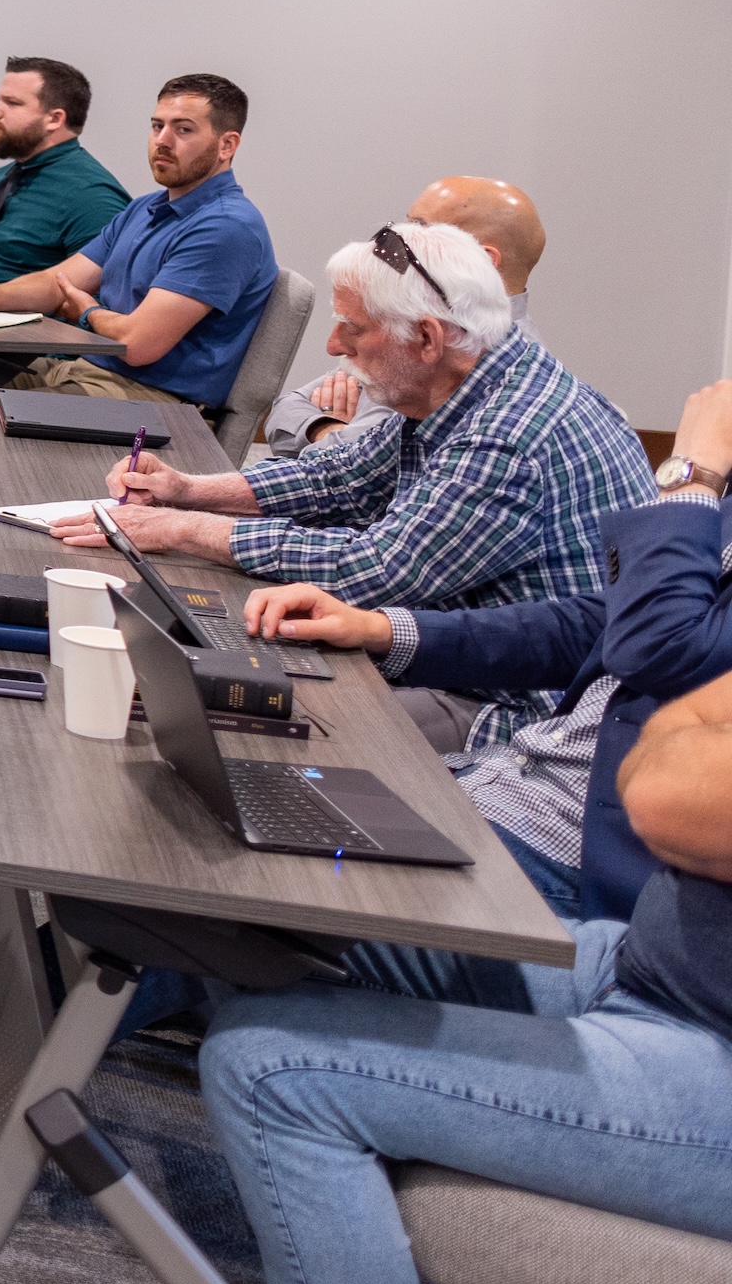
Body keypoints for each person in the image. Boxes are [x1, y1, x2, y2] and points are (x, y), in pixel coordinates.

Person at [135, 655, 732, 1284]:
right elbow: (648, 743)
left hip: (710, 1070)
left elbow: (662, 795)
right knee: (276, 927)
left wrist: (685, 756)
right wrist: (682, 758)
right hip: (636, 967)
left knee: (271, 1071)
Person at [227, 379, 732, 922]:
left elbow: (661, 649)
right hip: (510, 774)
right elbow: (600, 624)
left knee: (247, 894)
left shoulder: (529, 421)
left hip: (578, 848)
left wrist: (692, 475)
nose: (335, 343)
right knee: (237, 811)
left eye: (353, 328)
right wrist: (380, 630)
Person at [50, 221, 645, 630]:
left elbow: (377, 570)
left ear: (428, 338)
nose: (334, 344)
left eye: (353, 329)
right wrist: (187, 491)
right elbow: (338, 479)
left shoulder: (510, 434)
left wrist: (180, 530)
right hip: (440, 642)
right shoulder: (470, 383)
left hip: (506, 703)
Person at [0, 73, 278, 415]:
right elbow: (58, 282)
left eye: (183, 129)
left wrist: (88, 312)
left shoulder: (225, 227)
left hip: (155, 399)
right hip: (90, 371)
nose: (162, 141)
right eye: (157, 126)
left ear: (227, 145)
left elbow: (136, 345)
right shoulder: (145, 208)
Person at [256, 176, 544, 459]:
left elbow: (362, 468)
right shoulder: (408, 320)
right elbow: (285, 411)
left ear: (483, 260)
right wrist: (326, 428)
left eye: (420, 230)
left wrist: (339, 441)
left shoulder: (478, 353)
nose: (395, 244)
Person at [0, 55, 130, 286]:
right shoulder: (2, 178)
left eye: (12, 103)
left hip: (25, 318)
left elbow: (102, 295)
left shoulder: (92, 196)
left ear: (54, 119)